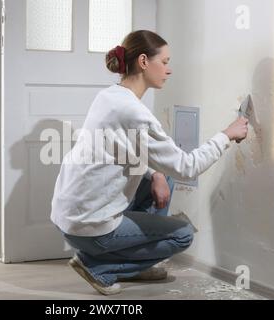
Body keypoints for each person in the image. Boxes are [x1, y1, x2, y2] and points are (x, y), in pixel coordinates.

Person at [50, 30, 248, 295]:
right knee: (182, 234)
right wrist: (226, 135)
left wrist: (156, 174)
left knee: (161, 176)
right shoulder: (135, 112)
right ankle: (99, 266)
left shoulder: (109, 96)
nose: (169, 70)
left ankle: (134, 264)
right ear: (144, 61)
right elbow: (186, 167)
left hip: (67, 215)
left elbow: (126, 151)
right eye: (164, 62)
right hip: (89, 226)